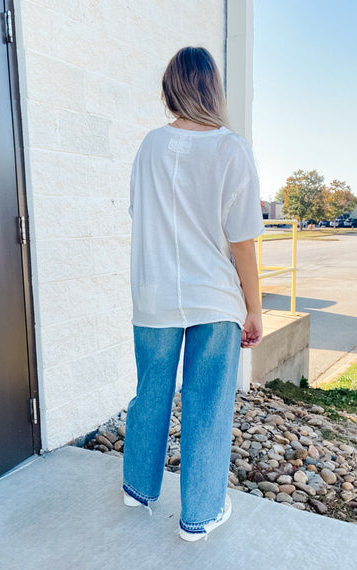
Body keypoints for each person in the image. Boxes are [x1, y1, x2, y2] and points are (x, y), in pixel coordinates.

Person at [122, 46, 265, 542]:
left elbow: (140, 216)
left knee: (150, 392)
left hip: (155, 292)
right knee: (208, 404)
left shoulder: (149, 146)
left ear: (171, 88)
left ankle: (138, 488)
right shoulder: (232, 149)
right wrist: (255, 309)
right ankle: (199, 516)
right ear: (212, 89)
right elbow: (242, 240)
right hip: (214, 297)